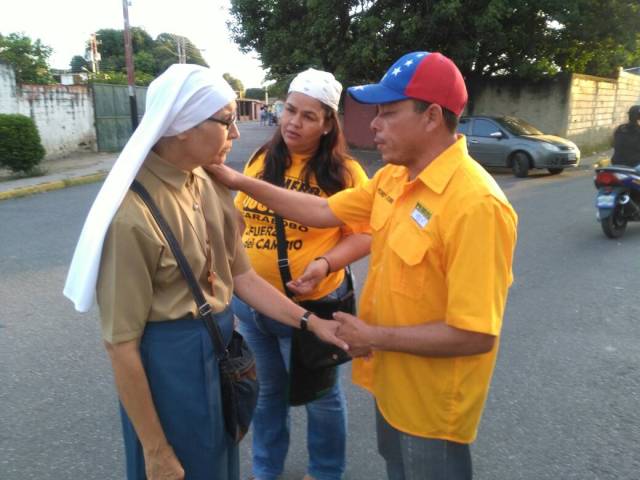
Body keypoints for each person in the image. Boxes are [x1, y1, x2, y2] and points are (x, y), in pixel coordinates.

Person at [207, 52, 518, 480]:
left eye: (388, 113)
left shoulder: (477, 205)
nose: (374, 124)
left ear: (430, 117)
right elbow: (321, 211)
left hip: (430, 403)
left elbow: (475, 334)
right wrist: (239, 181)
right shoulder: (395, 178)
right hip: (391, 383)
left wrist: (373, 334)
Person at [63, 64, 346, 480]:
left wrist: (309, 322)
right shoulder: (131, 218)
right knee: (179, 467)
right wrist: (155, 450)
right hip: (168, 366)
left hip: (217, 350)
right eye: (228, 121)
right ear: (182, 127)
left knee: (217, 462)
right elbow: (121, 346)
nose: (236, 134)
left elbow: (243, 278)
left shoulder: (206, 183)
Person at [219, 68, 370, 480]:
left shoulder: (345, 173)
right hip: (253, 307)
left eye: (308, 116)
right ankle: (266, 471)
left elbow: (366, 235)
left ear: (327, 125)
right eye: (290, 110)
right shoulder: (260, 159)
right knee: (266, 397)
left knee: (321, 399)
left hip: (312, 306)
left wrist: (324, 264)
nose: (293, 123)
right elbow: (241, 219)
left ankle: (325, 473)